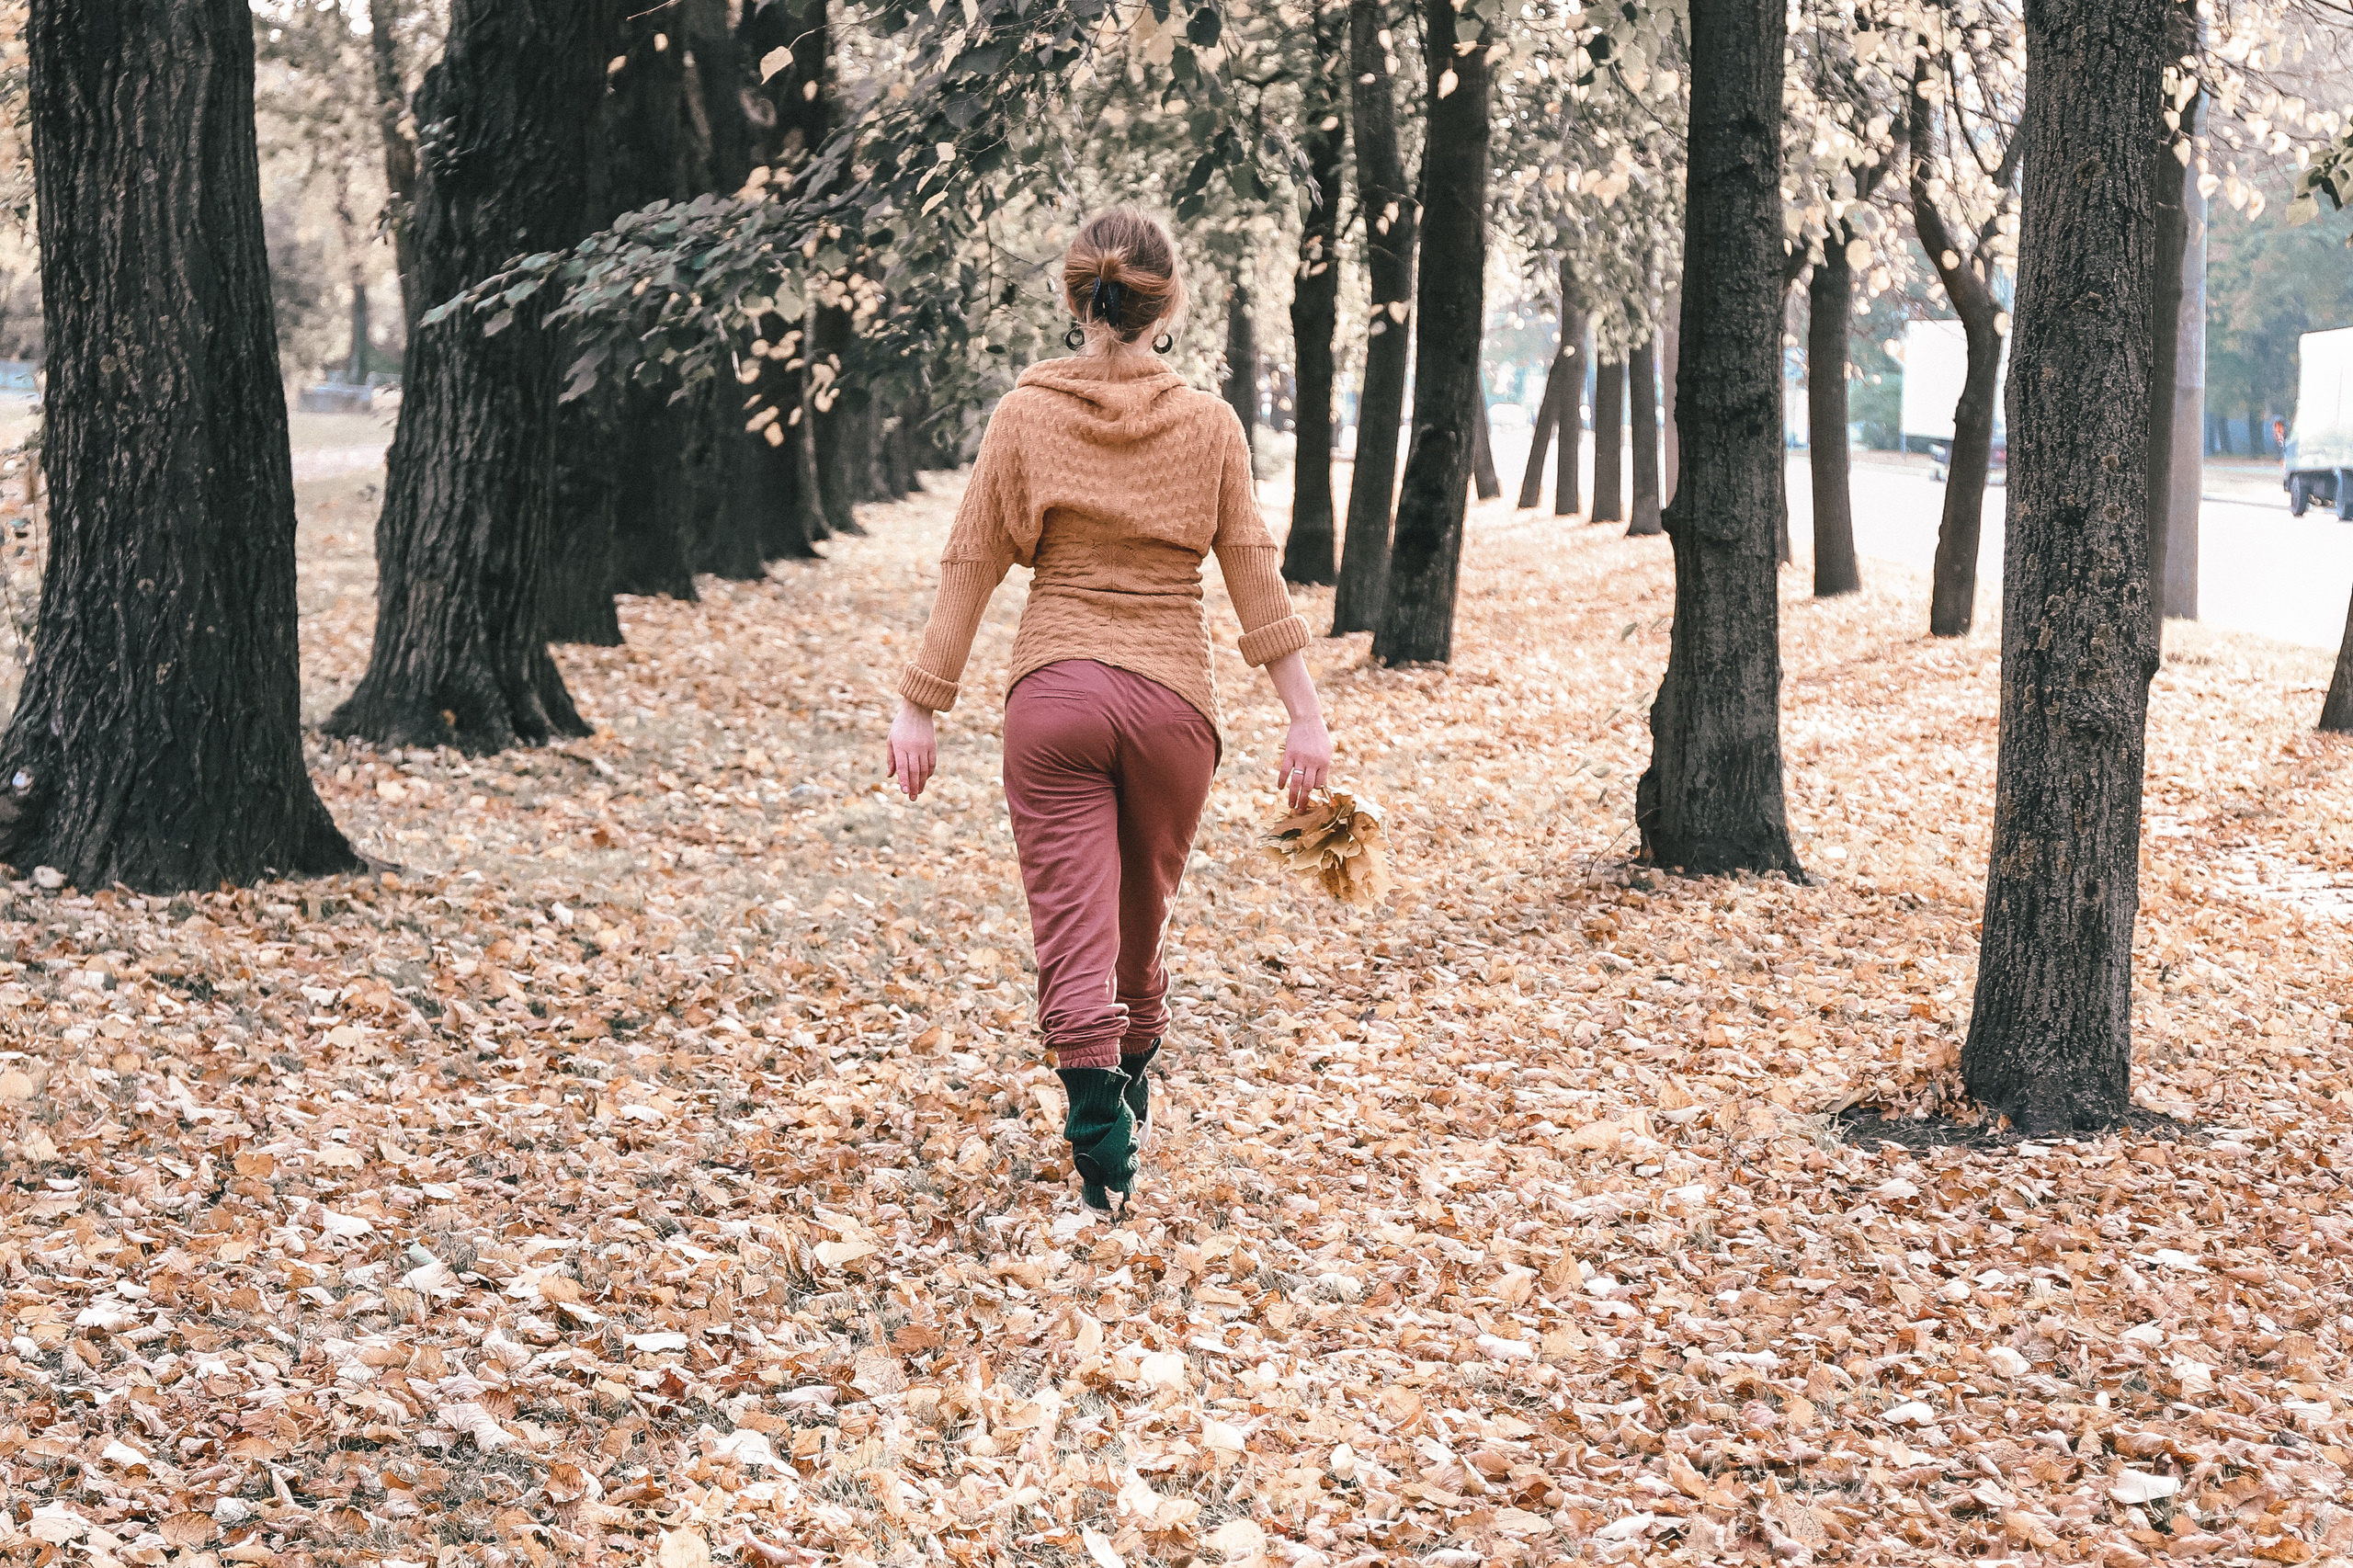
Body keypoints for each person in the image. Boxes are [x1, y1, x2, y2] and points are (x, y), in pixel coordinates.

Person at [883, 207, 1335, 1215]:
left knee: (1073, 931)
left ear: (1073, 294)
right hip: (1175, 704)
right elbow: (1253, 572)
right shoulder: (1209, 424)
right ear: (1165, 303)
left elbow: (972, 564)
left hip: (1055, 697)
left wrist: (922, 706)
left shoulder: (1025, 414)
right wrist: (1303, 713)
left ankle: (1103, 1161)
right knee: (1139, 932)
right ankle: (1124, 1103)